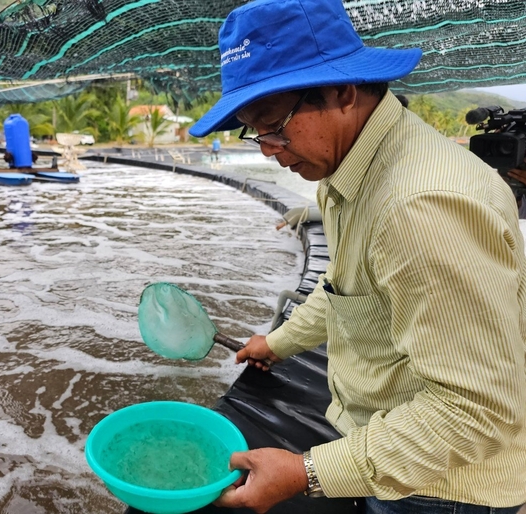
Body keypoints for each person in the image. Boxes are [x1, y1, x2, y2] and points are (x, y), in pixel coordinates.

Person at [189, 0, 526, 513]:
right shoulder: (345, 174)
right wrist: (277, 343)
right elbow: (345, 289)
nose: (266, 149)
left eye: (273, 123)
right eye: (252, 130)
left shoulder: (420, 208)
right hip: (391, 449)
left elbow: (475, 411)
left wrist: (306, 472)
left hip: (440, 488)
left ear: (344, 92)